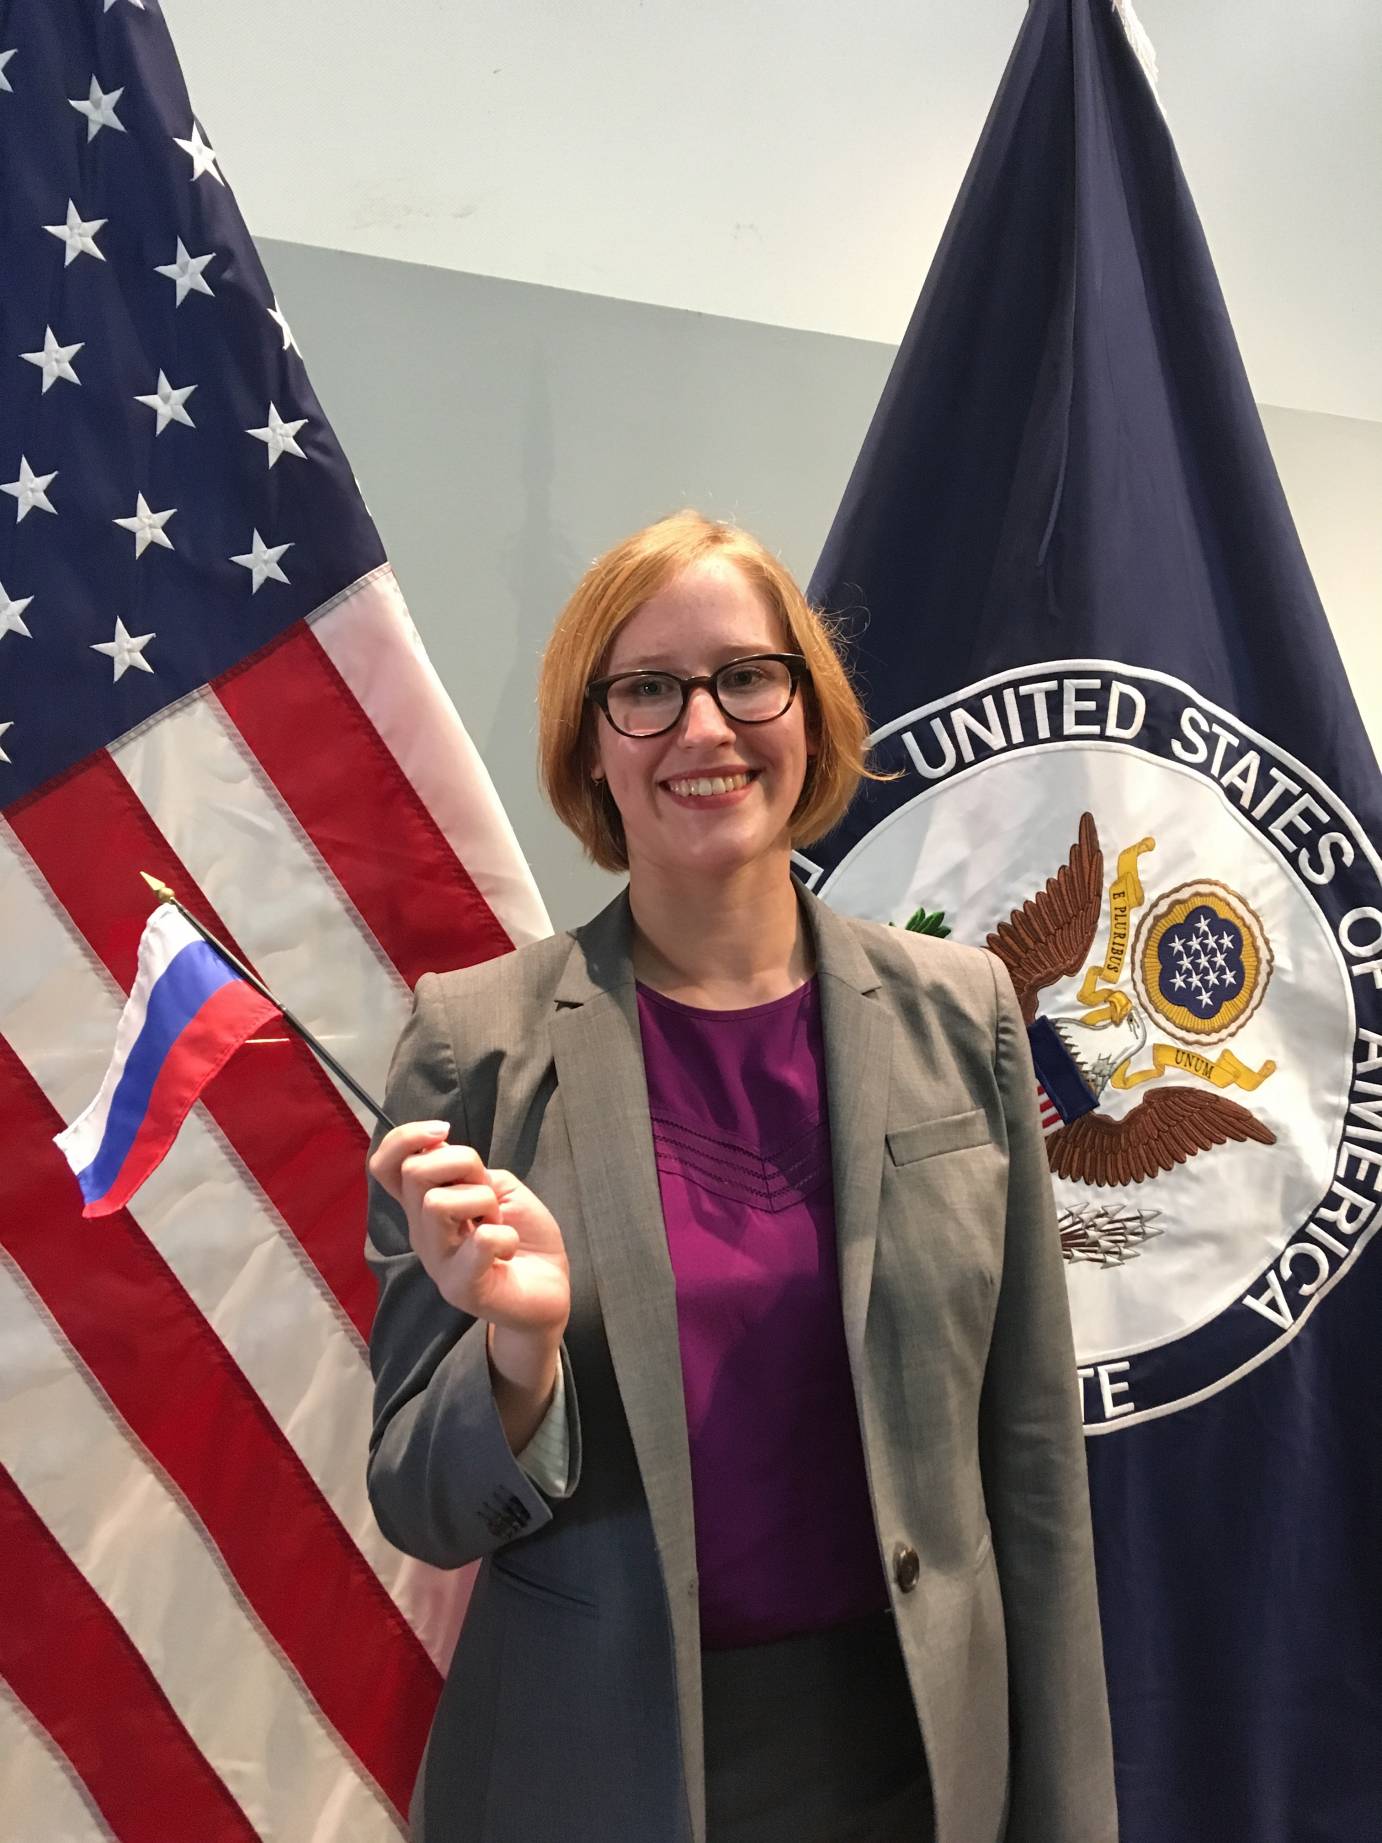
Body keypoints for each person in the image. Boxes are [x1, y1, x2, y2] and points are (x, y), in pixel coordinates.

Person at [365, 511, 1118, 1843]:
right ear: (591, 747)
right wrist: (517, 1358)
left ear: (809, 716)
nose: (704, 728)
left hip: (915, 1766)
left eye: (746, 677)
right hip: (588, 1780)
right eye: (647, 691)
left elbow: (1032, 1466)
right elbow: (422, 1504)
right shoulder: (473, 1044)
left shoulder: (965, 1015)